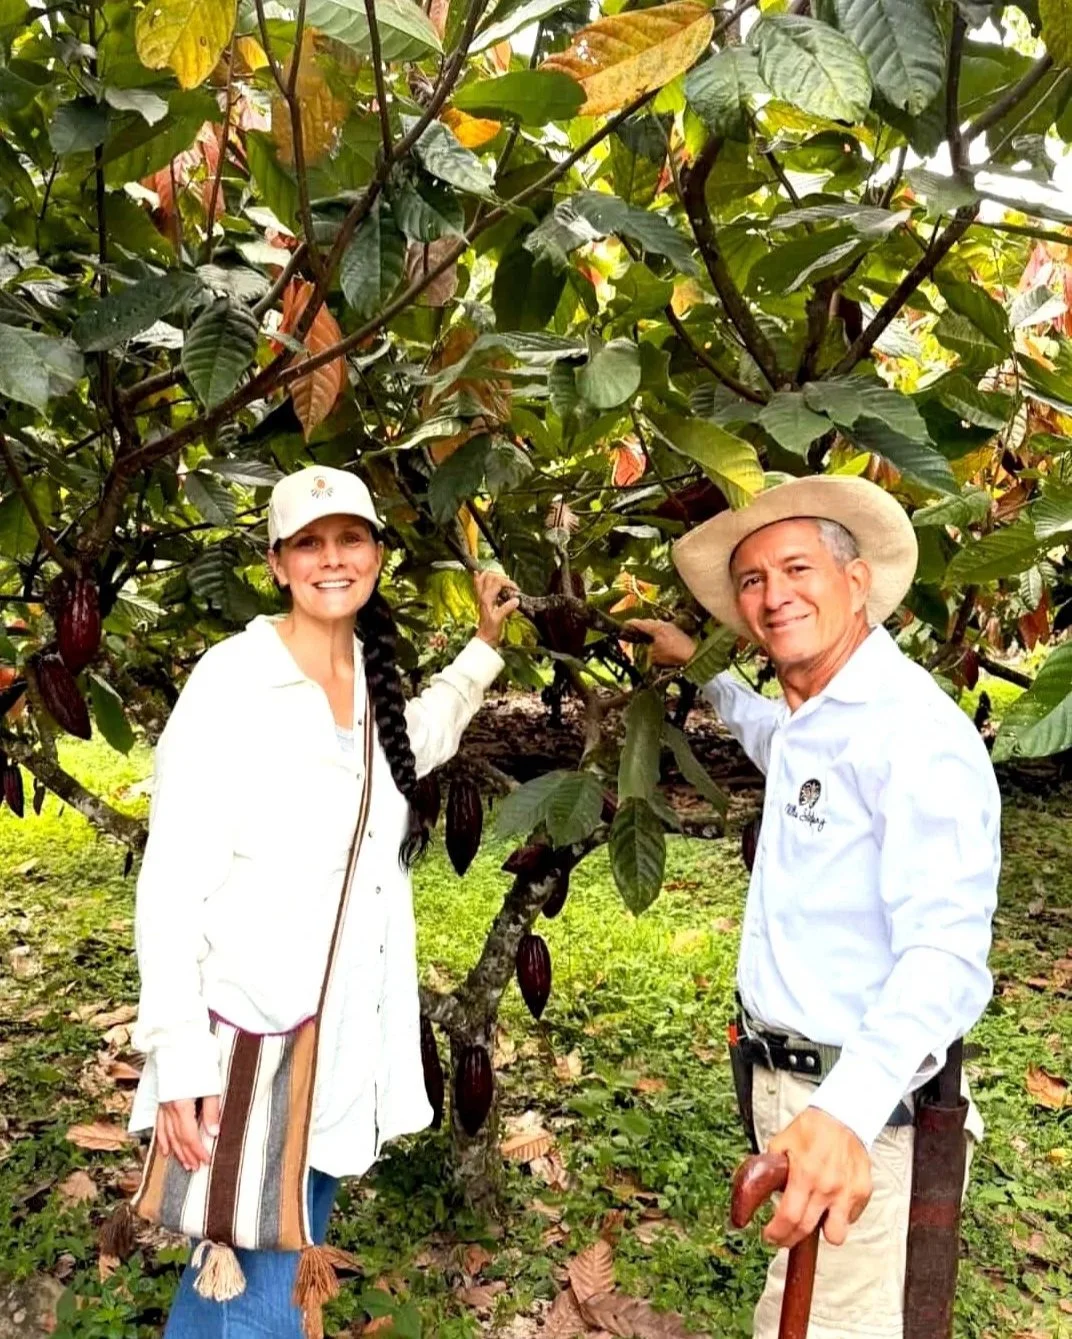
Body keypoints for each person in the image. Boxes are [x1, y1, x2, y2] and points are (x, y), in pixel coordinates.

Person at [127, 464, 519, 1337]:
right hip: (246, 1044)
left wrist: (484, 648)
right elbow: (171, 879)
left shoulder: (369, 681)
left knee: (239, 1271)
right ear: (276, 562)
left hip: (337, 1041)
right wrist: (180, 1056)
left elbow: (417, 739)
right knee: (256, 1296)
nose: (331, 559)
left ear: (378, 554)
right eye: (309, 542)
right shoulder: (232, 680)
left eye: (351, 539)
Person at [627, 474, 998, 1339]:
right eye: (752, 580)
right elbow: (777, 741)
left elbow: (945, 952)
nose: (771, 595)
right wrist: (701, 670)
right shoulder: (819, 717)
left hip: (864, 1112)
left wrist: (848, 1110)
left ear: (858, 580)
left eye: (796, 568)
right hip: (795, 1091)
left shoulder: (915, 734)